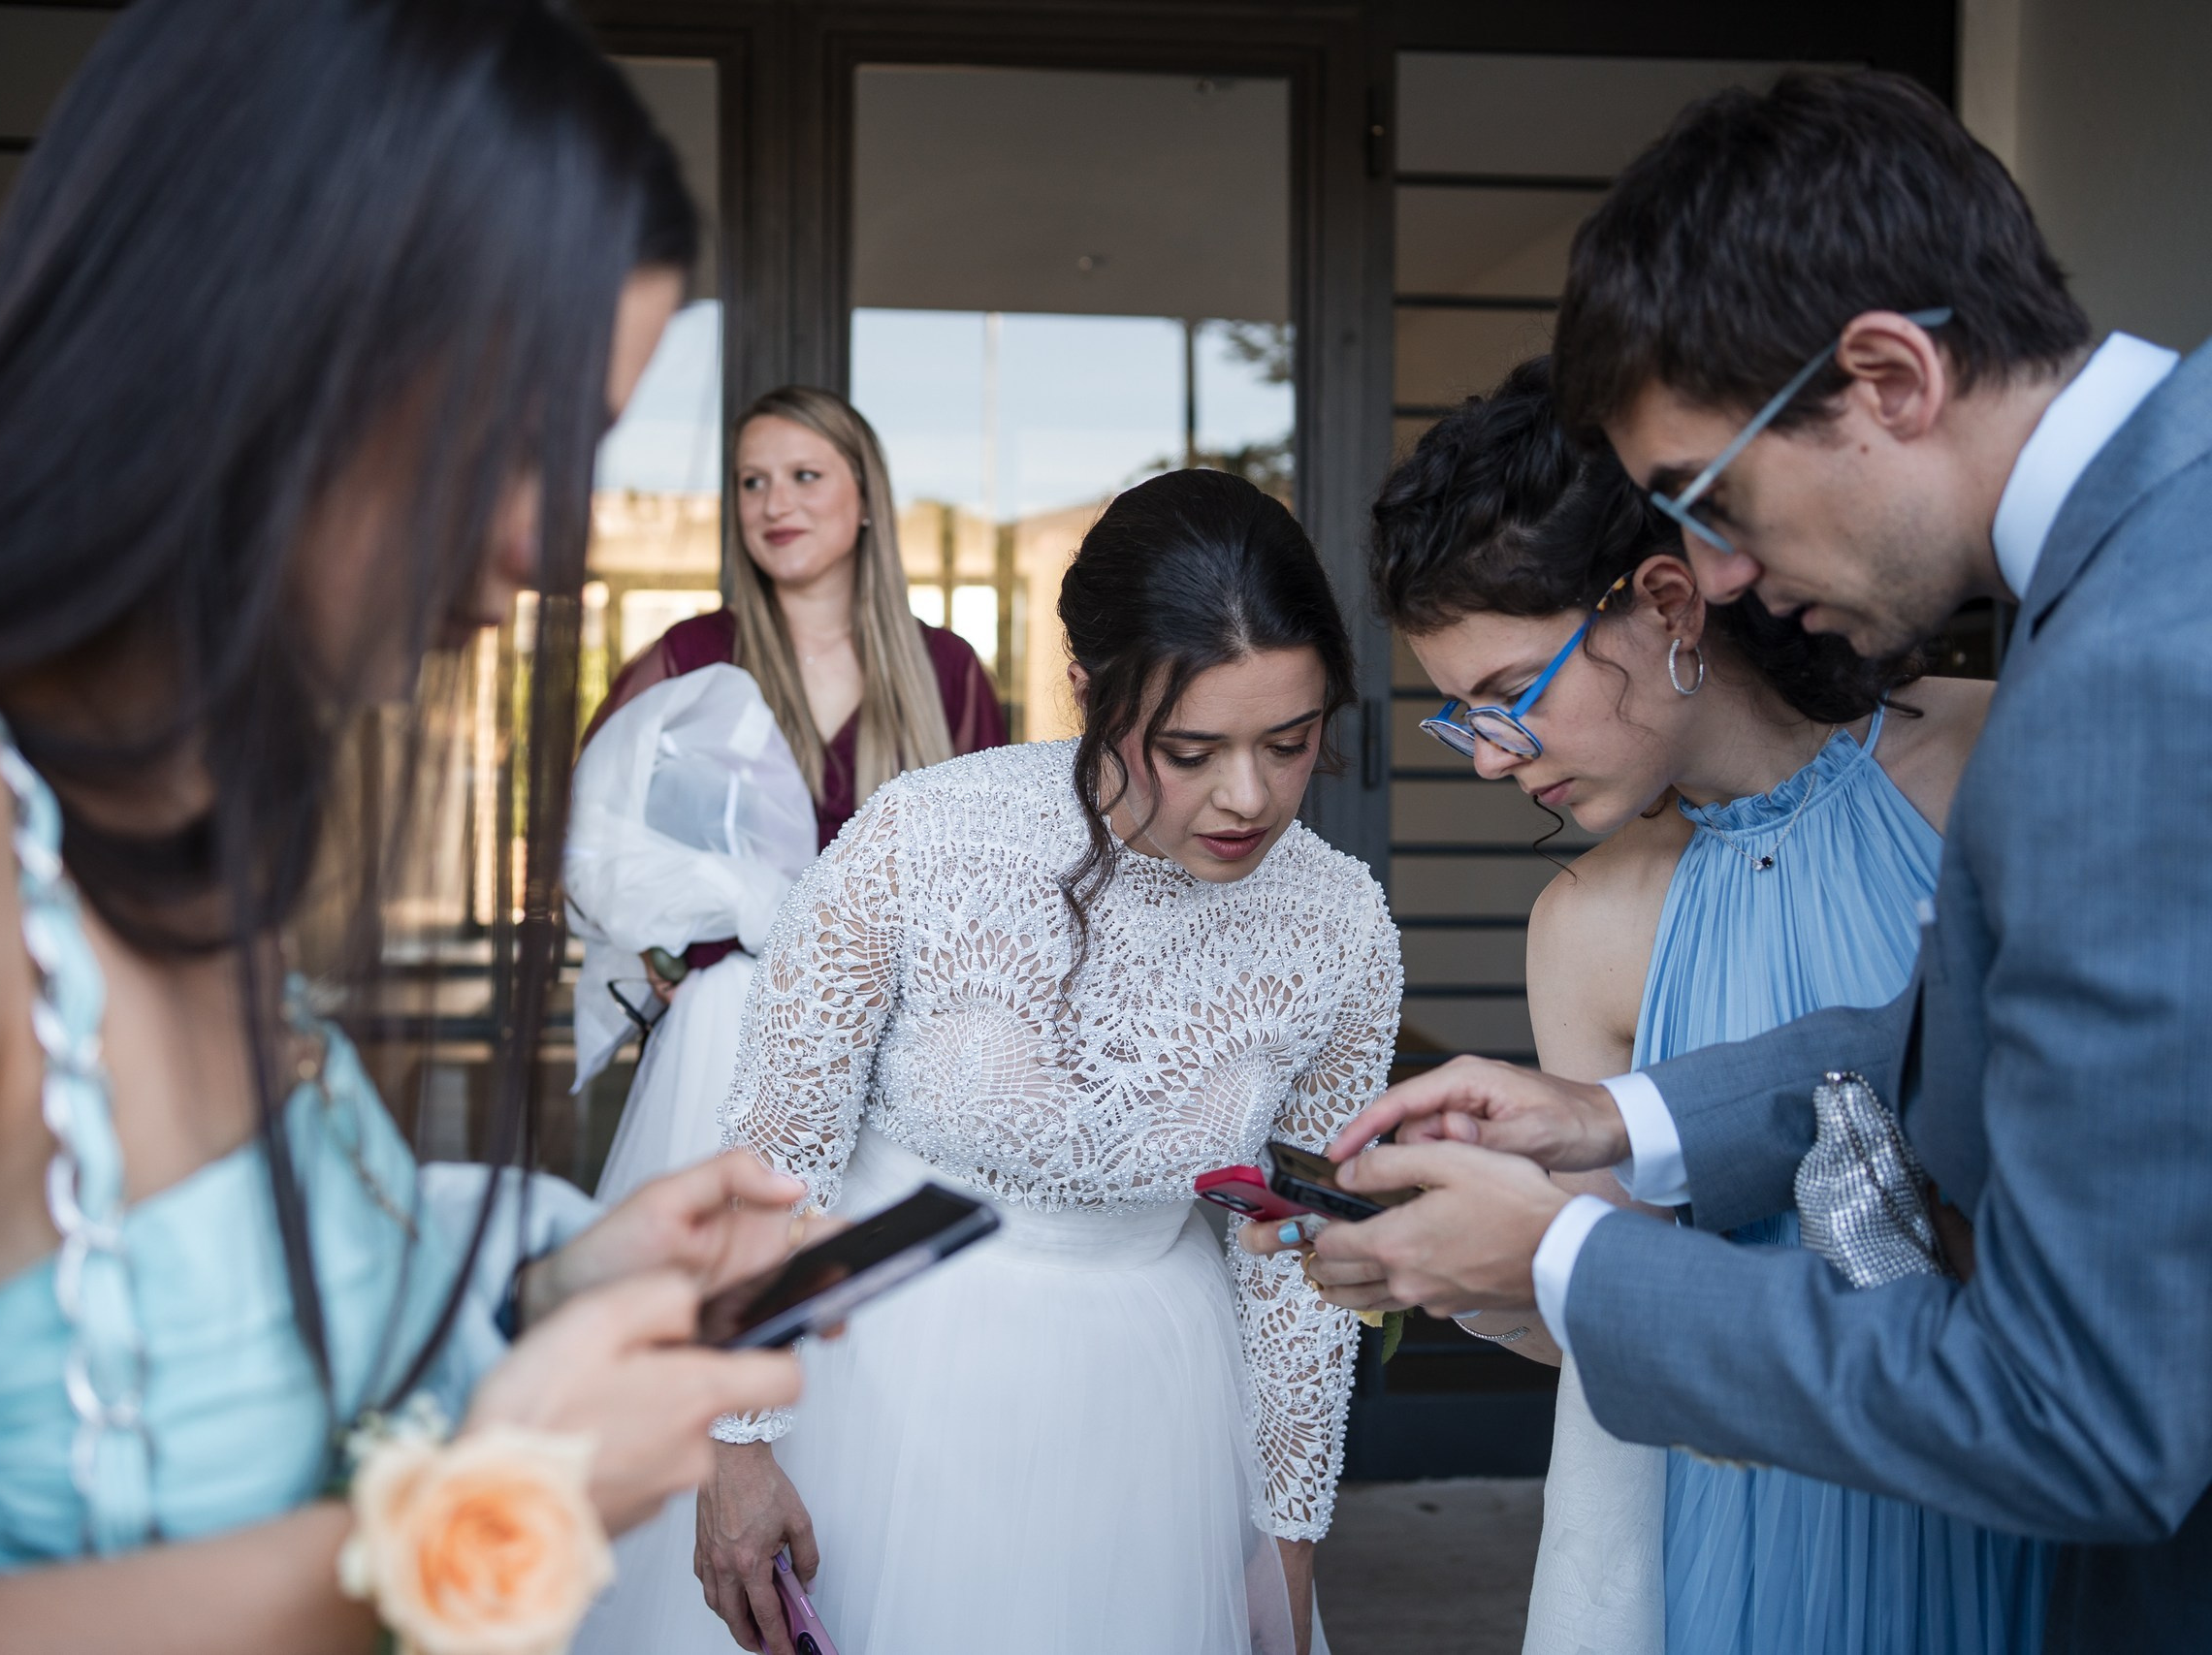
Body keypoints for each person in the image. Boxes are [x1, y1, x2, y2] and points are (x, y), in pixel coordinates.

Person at [0, 4, 814, 1650]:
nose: (558, 543)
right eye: (533, 433)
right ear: (282, 335)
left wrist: (557, 1303)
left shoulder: (189, 829)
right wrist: (483, 1518)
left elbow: (237, 1393)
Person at [1262, 70, 2212, 1651]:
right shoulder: (2152, 558)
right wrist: (1612, 1119)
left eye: (1714, 496)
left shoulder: (2125, 672)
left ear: (1889, 377)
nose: (1716, 571)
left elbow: (2087, 1407)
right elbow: (2005, 1041)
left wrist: (1563, 1255)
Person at [579, 468, 1401, 1655]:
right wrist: (736, 1449)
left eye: (1289, 741)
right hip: (876, 1382)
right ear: (1087, 690)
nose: (1248, 795)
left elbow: (1297, 1266)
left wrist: (1285, 1554)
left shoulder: (1340, 929)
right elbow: (772, 1153)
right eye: (1190, 747)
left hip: (1152, 1414)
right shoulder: (924, 836)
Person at [1367, 356, 2044, 1654]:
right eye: (1461, 720)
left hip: (2012, 1468)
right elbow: (1613, 1314)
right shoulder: (1584, 926)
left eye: (1512, 695)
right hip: (1746, 1522)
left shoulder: (1992, 759)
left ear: (1667, 603)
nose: (1495, 754)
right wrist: (1457, 1269)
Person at [578, 386, 1008, 1199]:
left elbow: (998, 880)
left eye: (805, 475)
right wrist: (654, 941)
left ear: (866, 496)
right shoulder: (693, 655)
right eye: (752, 481)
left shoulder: (945, 670)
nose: (775, 503)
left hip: (900, 1060)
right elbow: (597, 834)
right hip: (722, 1045)